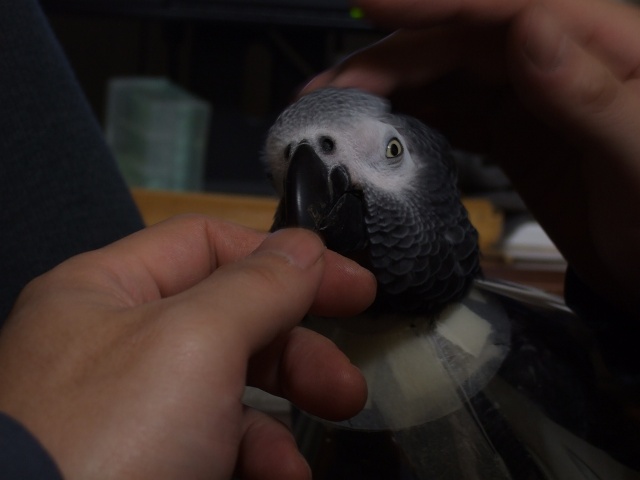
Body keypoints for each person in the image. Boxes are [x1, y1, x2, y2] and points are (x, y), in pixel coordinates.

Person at [1, 0, 639, 479]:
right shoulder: (267, 387)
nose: (313, 162)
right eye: (287, 174)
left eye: (390, 152)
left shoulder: (562, 343)